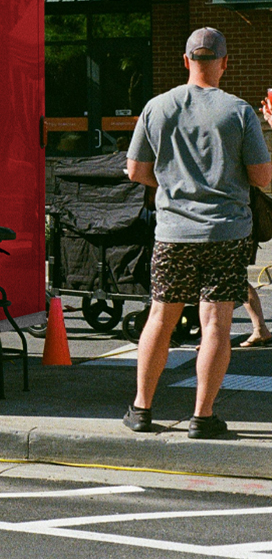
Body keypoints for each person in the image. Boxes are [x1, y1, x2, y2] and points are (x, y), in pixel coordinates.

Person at [124, 27, 272, 438]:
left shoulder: (157, 107)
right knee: (216, 324)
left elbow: (136, 171)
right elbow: (261, 175)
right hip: (226, 232)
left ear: (185, 60)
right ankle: (203, 416)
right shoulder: (239, 112)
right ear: (224, 63)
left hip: (172, 232)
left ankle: (141, 410)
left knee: (160, 316)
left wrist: (173, 184)